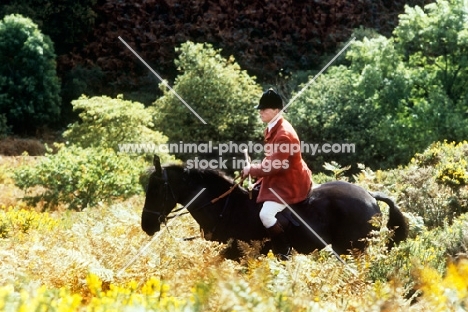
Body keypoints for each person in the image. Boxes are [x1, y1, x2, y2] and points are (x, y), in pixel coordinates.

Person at [242, 88, 312, 259]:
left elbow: (274, 167)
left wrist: (252, 169)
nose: (260, 112)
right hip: (281, 176)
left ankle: (284, 250)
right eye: (260, 108)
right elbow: (271, 159)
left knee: (265, 215)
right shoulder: (273, 127)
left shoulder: (283, 134)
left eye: (264, 109)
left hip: (290, 182)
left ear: (276, 110)